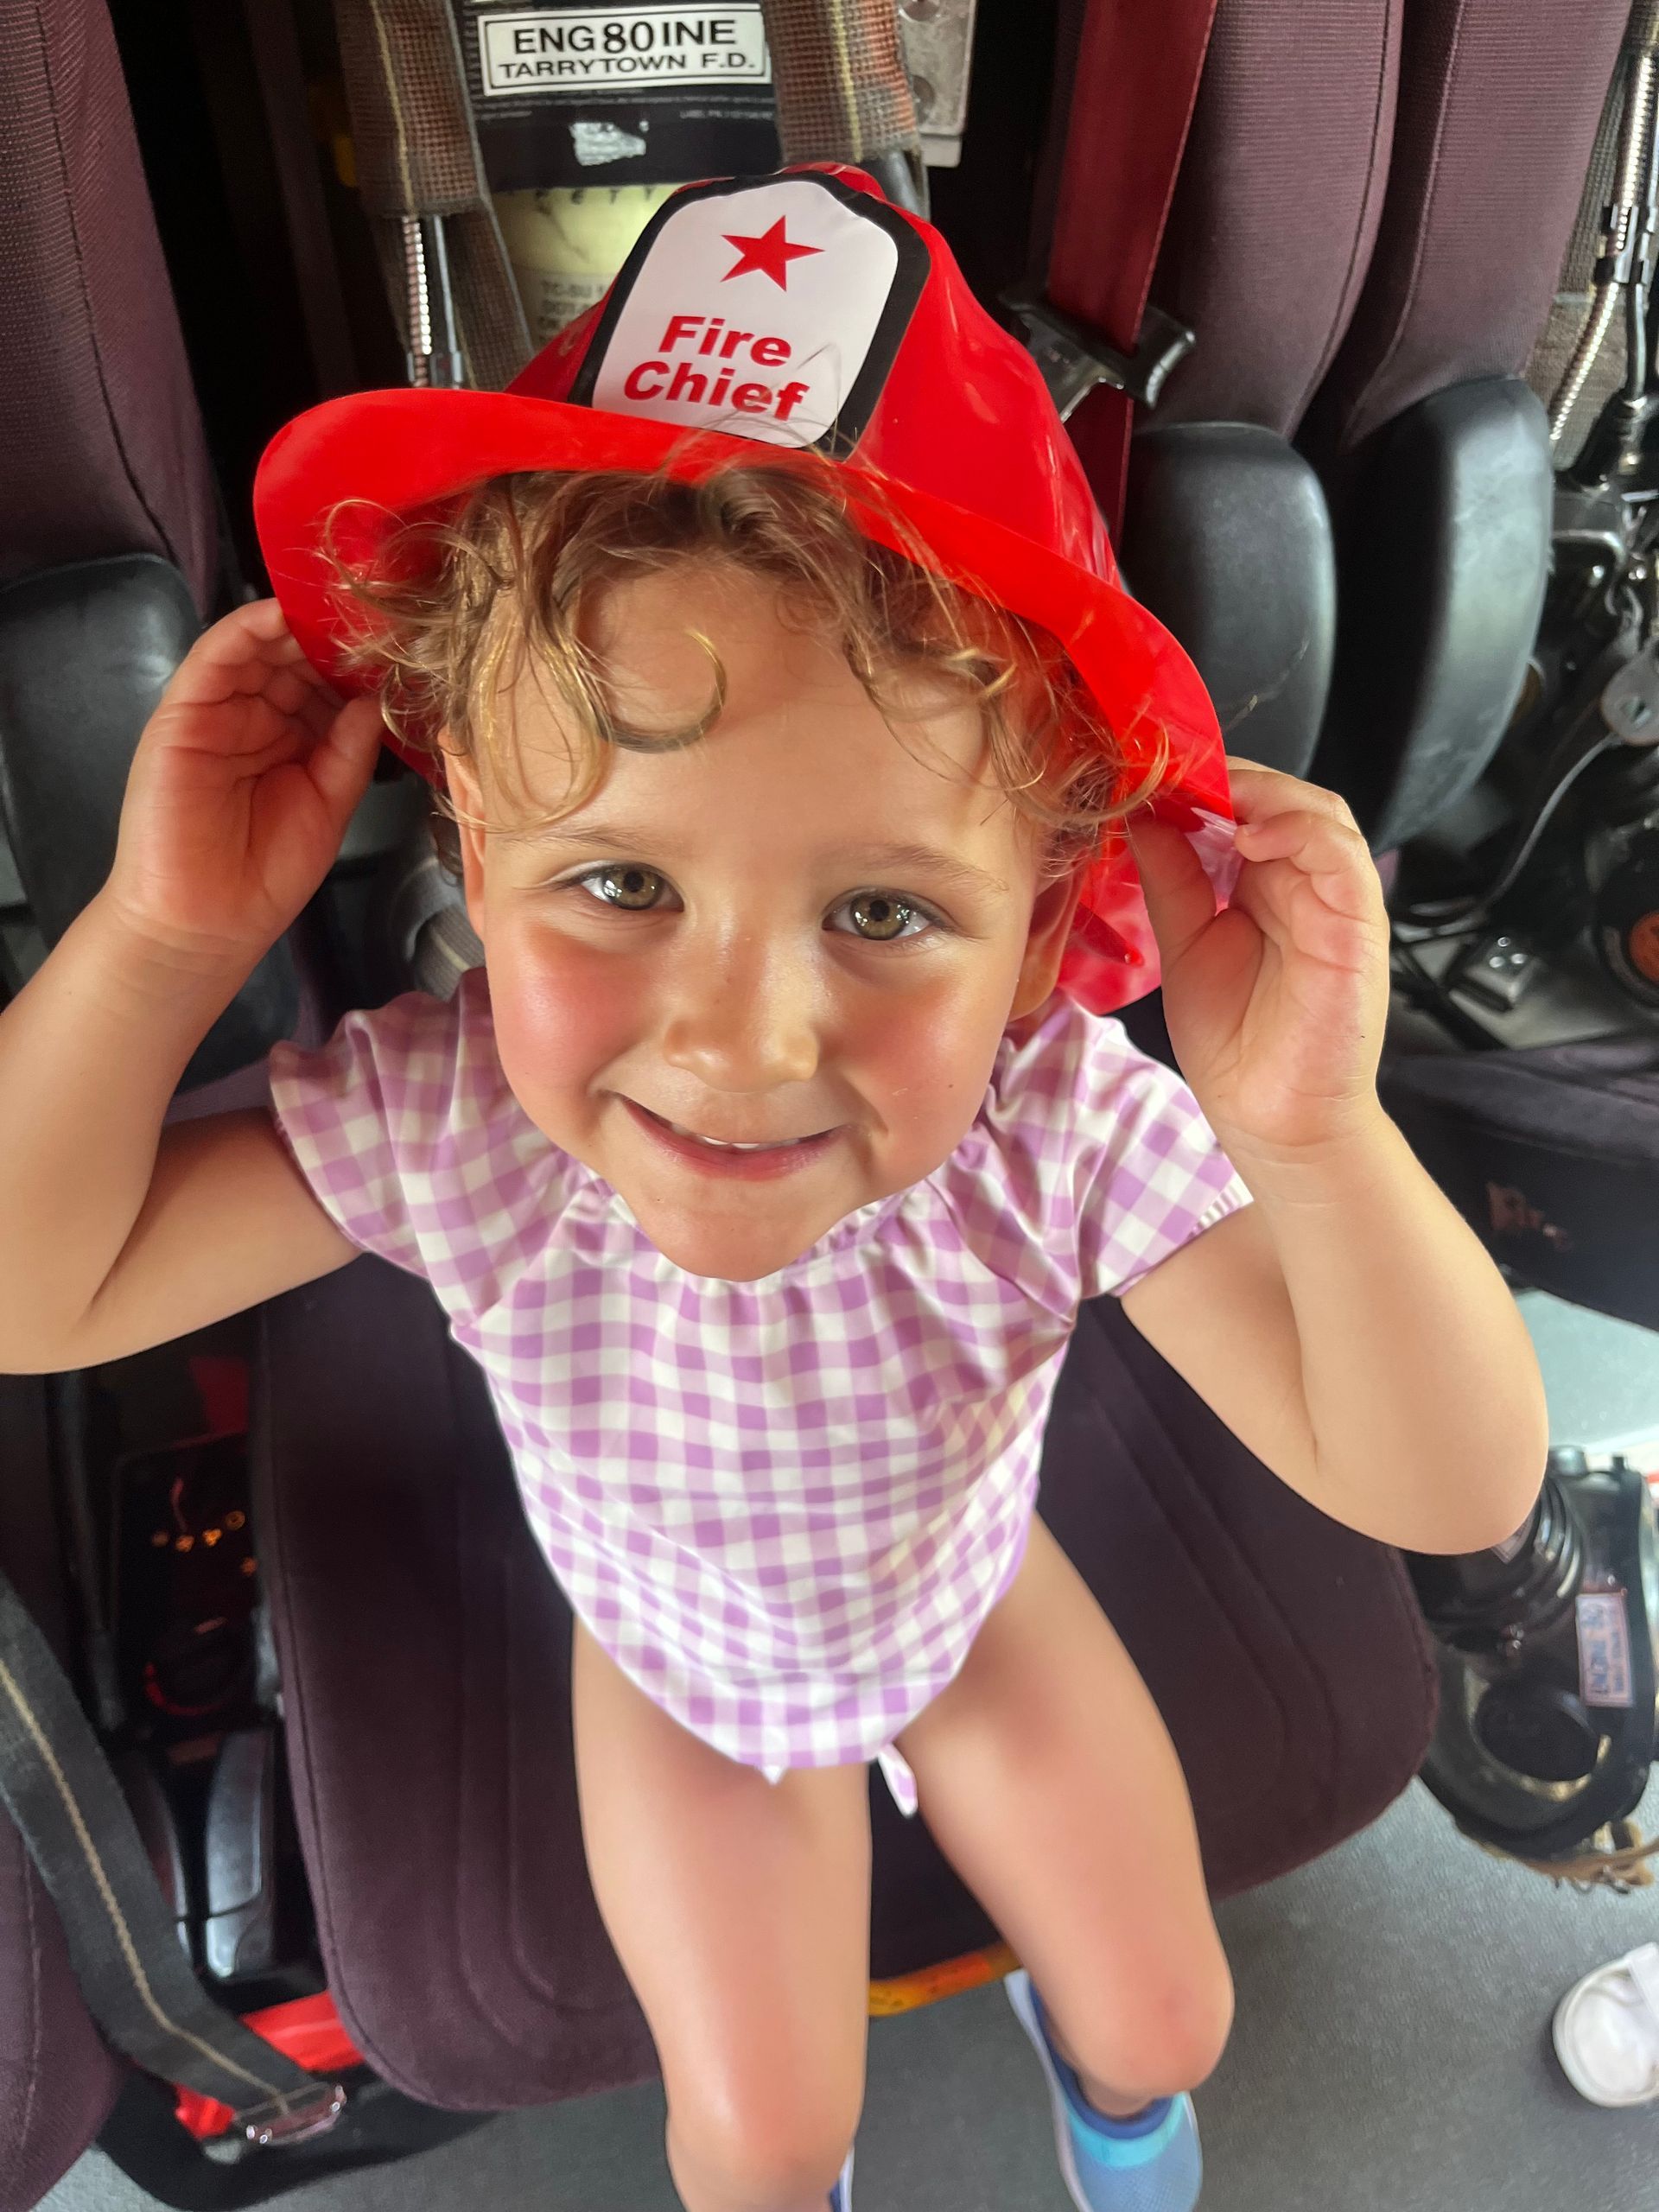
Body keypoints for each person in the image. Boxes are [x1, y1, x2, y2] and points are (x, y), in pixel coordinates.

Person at [0, 167, 1549, 2212]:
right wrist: (159, 932)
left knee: (1170, 2020)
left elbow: (1446, 1484)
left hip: (972, 1599)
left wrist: (1315, 1132)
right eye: (622, 880)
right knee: (754, 2144)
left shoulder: (1050, 1119)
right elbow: (37, 1287)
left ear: (1040, 928)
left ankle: (1107, 2113)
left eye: (889, 906)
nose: (738, 1047)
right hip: (675, 1666)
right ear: (472, 852)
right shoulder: (462, 1122)